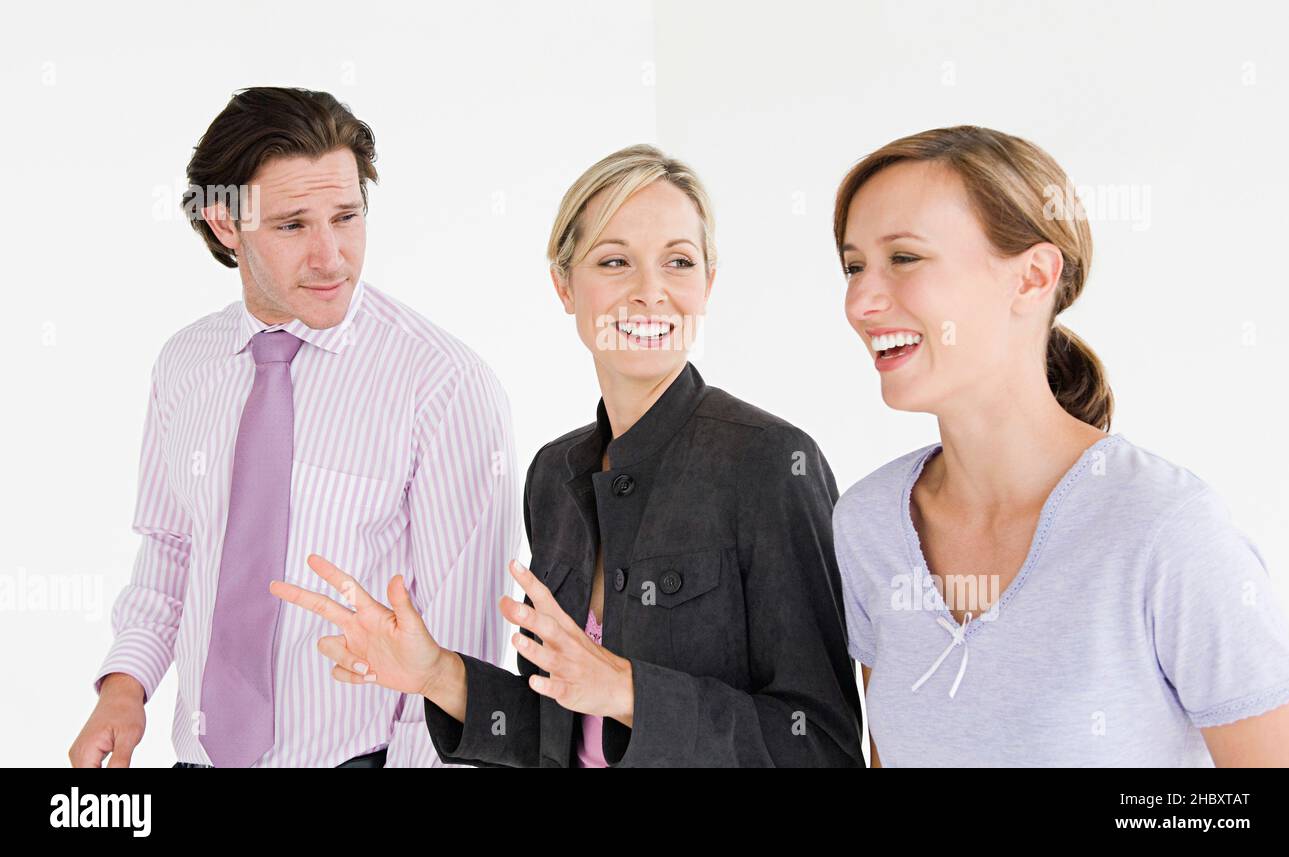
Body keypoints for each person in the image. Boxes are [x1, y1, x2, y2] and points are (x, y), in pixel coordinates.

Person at [272, 144, 865, 766]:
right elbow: (558, 730)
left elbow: (820, 744)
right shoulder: (555, 475)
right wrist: (436, 674)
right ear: (563, 284)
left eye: (679, 262)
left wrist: (631, 693)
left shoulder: (771, 462)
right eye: (615, 261)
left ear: (708, 284)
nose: (650, 292)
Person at [69, 87, 519, 768]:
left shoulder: (444, 384)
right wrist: (125, 686)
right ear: (226, 225)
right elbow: (171, 550)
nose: (331, 256)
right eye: (292, 225)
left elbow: (465, 645)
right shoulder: (185, 364)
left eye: (346, 217)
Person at [831, 125, 1289, 766]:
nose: (861, 300)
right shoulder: (869, 523)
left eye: (904, 258)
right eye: (854, 267)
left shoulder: (1165, 530)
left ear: (1032, 277)